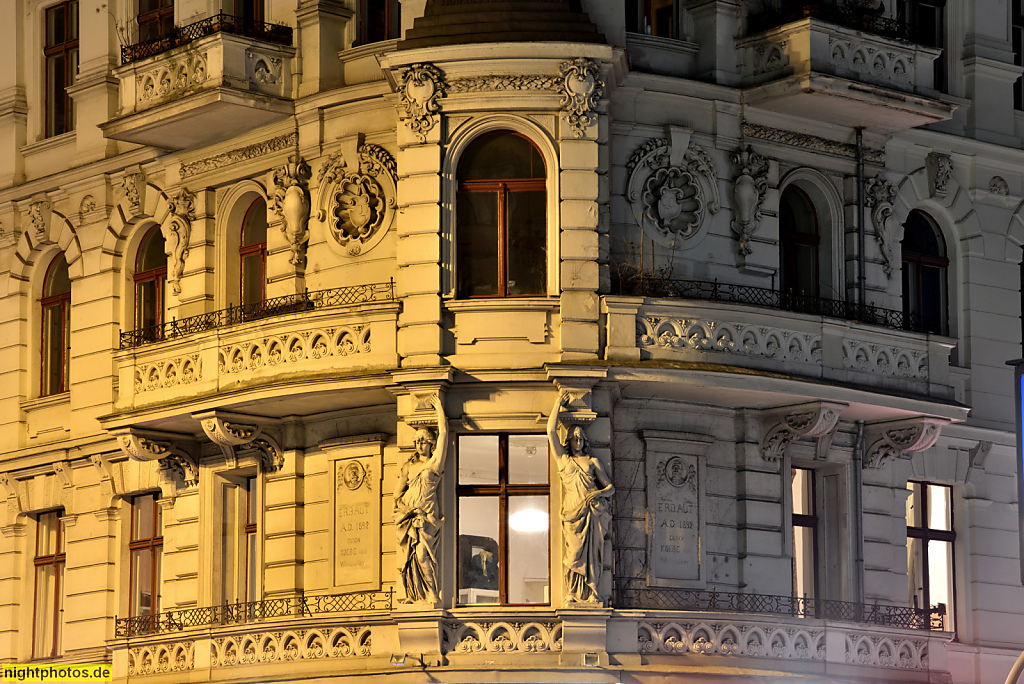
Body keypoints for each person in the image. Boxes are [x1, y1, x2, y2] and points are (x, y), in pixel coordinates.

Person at [547, 393, 615, 604]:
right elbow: (550, 432)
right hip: (572, 514)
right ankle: (573, 592)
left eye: (580, 437)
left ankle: (592, 590)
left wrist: (599, 492)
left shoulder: (593, 462)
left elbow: (611, 488)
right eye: (573, 437)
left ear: (584, 440)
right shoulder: (564, 461)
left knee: (593, 554)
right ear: (568, 440)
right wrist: (558, 404)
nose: (577, 440)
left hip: (591, 513)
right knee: (573, 554)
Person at [393, 395, 448, 604]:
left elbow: (444, 434)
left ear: (431, 443)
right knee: (411, 557)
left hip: (427, 517)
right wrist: (403, 509)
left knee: (423, 554)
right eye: (416, 441)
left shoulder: (434, 464)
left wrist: (440, 409)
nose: (419, 444)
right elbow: (397, 494)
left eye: (423, 441)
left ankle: (431, 592)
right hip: (409, 515)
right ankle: (415, 594)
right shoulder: (408, 467)